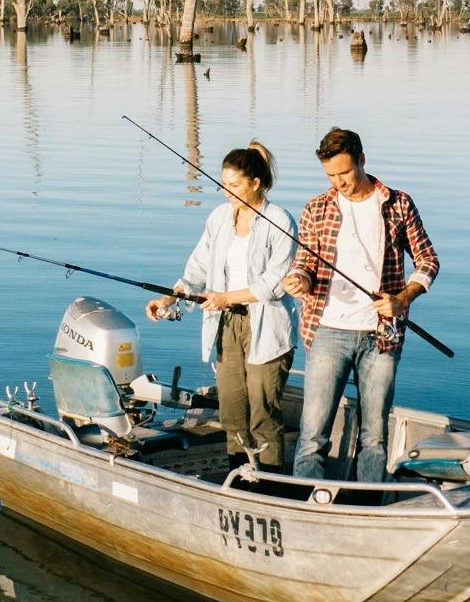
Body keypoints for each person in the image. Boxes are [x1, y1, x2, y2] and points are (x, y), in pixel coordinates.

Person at [283, 126, 440, 484]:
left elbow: (428, 260)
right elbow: (304, 265)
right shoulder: (315, 208)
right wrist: (300, 280)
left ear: (362, 161)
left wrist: (402, 299)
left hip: (381, 336)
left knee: (374, 437)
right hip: (327, 331)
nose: (338, 182)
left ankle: (370, 502)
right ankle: (312, 503)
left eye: (345, 172)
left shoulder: (398, 203)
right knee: (312, 435)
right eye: (331, 175)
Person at [146, 142, 299, 468]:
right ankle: (240, 479)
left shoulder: (280, 220)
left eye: (234, 184)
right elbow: (197, 270)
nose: (226, 191)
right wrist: (168, 298)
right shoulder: (218, 218)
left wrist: (225, 297)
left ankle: (270, 486)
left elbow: (274, 284)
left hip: (267, 330)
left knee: (263, 416)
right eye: (223, 184)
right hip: (225, 327)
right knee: (232, 413)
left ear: (255, 183)